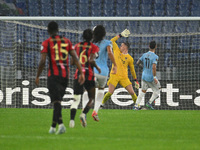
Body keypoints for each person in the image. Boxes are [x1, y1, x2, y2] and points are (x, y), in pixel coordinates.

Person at [35, 21, 85, 134]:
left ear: (48, 31)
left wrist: (37, 76)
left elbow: (42, 61)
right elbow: (75, 58)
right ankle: (53, 128)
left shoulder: (47, 42)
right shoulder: (67, 41)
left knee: (56, 101)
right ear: (58, 30)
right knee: (58, 102)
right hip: (65, 76)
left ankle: (61, 125)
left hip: (53, 76)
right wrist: (81, 72)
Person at [82, 25, 117, 122]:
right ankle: (95, 111)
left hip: (92, 71)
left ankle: (84, 111)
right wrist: (115, 65)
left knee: (86, 90)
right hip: (103, 72)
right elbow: (110, 53)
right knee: (101, 90)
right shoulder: (108, 43)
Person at [101, 29, 140, 108]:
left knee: (132, 92)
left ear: (125, 47)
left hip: (124, 77)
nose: (120, 47)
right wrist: (120, 35)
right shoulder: (116, 50)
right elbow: (111, 41)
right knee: (110, 92)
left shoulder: (130, 58)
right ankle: (101, 104)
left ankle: (137, 106)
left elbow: (132, 70)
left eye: (121, 45)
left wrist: (135, 79)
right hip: (114, 75)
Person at [69, 29, 100, 128]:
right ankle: (83, 114)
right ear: (92, 37)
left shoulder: (76, 46)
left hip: (78, 74)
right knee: (92, 98)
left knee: (76, 99)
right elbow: (91, 60)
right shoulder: (94, 47)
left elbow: (72, 62)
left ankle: (71, 121)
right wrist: (97, 67)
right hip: (89, 75)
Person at [133, 41, 161, 110]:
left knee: (143, 91)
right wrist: (154, 77)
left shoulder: (144, 55)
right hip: (151, 77)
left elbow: (137, 63)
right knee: (158, 90)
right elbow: (154, 67)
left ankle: (136, 106)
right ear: (156, 47)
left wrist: (143, 68)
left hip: (144, 76)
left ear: (149, 46)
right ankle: (149, 103)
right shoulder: (155, 56)